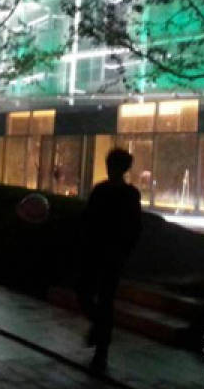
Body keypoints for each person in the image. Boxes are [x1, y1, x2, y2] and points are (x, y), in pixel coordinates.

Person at [77, 148, 142, 372]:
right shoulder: (112, 192)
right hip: (105, 253)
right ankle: (100, 336)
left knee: (99, 298)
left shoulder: (110, 192)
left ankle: (101, 348)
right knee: (96, 297)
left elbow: (88, 220)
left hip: (105, 254)